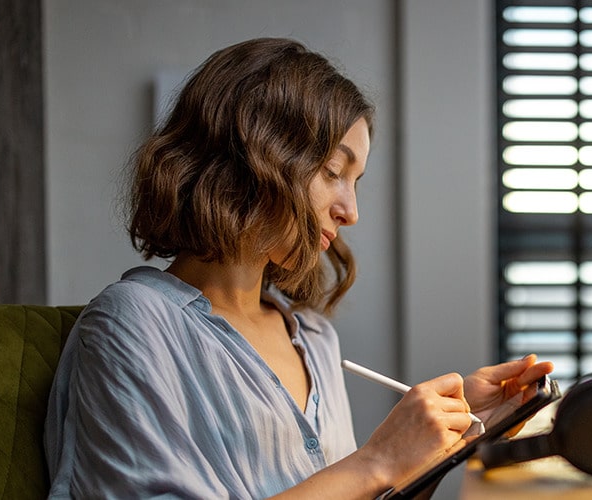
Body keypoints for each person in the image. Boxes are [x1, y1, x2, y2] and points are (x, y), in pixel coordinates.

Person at [44, 37, 554, 499]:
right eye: (334, 172)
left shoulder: (312, 338)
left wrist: (443, 443)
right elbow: (360, 474)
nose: (350, 212)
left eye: (355, 181)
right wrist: (377, 460)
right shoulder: (132, 324)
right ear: (256, 156)